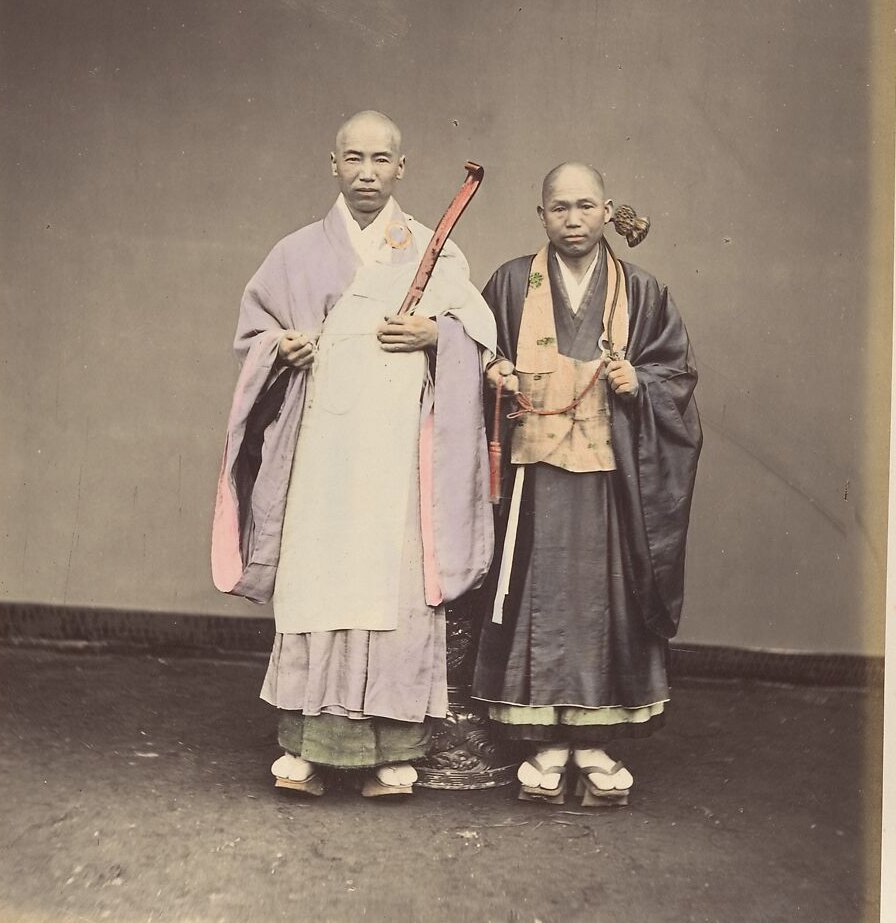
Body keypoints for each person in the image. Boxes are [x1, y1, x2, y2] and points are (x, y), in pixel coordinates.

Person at [212, 110, 496, 798]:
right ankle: (308, 745)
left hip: (398, 459)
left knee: (393, 587)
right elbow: (255, 335)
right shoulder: (295, 253)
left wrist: (437, 336)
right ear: (332, 165)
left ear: (403, 167)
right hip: (323, 455)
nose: (367, 172)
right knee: (320, 582)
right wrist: (282, 348)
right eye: (353, 158)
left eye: (381, 159)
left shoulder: (437, 250)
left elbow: (478, 343)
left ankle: (393, 751)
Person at [471, 162, 701, 806]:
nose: (572, 220)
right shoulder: (512, 282)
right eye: (559, 208)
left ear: (608, 211)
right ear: (540, 215)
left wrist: (641, 385)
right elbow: (475, 351)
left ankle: (597, 740)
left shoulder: (644, 290)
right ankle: (545, 741)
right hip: (535, 475)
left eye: (585, 206)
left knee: (607, 596)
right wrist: (496, 373)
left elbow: (675, 376)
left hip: (610, 477)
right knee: (538, 595)